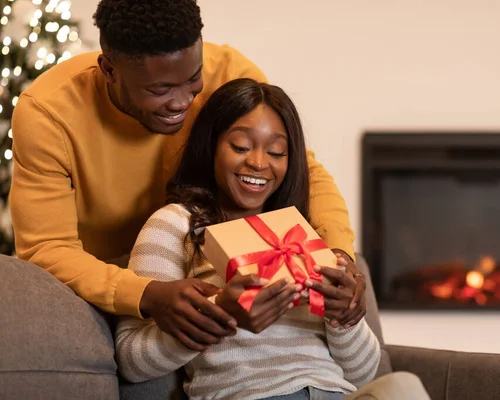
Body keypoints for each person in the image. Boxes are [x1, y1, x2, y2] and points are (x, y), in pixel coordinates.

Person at [9, 0, 366, 351]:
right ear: (109, 70)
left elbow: (308, 172)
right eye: (159, 90)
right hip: (105, 281)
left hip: (202, 266)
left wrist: (340, 258)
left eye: (193, 79)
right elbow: (47, 246)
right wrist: (145, 293)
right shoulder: (47, 112)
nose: (182, 101)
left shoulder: (228, 70)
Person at [115, 78, 430, 400]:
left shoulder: (300, 234)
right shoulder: (175, 224)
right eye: (240, 146)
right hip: (253, 396)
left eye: (277, 151)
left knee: (403, 386)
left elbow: (365, 374)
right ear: (210, 145)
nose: (259, 163)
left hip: (336, 393)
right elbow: (131, 360)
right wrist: (220, 315)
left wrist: (342, 317)